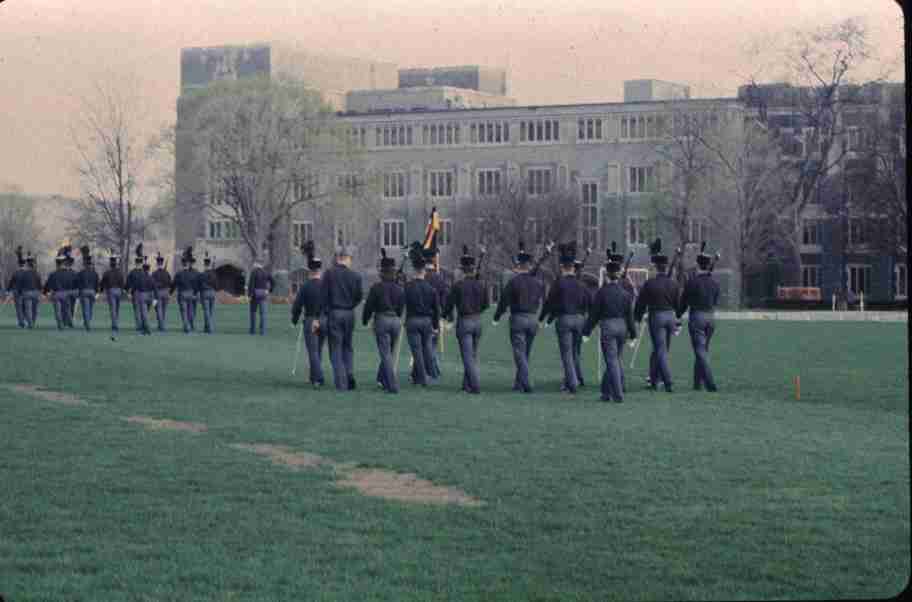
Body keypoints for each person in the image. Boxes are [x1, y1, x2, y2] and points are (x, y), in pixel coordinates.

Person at [583, 242, 638, 402]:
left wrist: (586, 332)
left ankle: (618, 394)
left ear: (607, 274)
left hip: (608, 327)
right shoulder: (625, 293)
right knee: (614, 360)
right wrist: (633, 335)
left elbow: (594, 315)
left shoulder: (601, 293)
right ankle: (605, 393)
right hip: (622, 328)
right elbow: (629, 316)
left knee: (612, 360)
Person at [492, 241, 545, 394]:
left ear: (518, 265)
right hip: (533, 318)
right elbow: (543, 300)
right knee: (525, 353)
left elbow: (503, 302)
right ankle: (518, 383)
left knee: (519, 354)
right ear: (528, 265)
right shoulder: (538, 283)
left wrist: (497, 316)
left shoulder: (513, 282)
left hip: (518, 319)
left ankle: (526, 383)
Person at [539, 242, 590, 394]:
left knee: (566, 353)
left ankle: (571, 383)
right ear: (574, 268)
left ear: (562, 267)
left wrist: (542, 318)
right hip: (580, 319)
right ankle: (572, 379)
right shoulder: (581, 284)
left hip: (565, 320)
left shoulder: (559, 283)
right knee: (575, 352)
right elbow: (589, 302)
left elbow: (549, 303)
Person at [633, 238, 681, 392]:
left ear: (655, 267)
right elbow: (678, 304)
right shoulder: (673, 284)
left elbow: (641, 303)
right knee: (661, 349)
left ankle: (667, 381)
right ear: (665, 267)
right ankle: (654, 380)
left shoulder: (650, 284)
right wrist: (677, 321)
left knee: (660, 350)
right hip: (670, 317)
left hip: (657, 317)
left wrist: (637, 319)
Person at [443, 245, 489, 394]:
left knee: (467, 357)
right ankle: (466, 385)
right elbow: (486, 305)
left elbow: (449, 305)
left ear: (462, 270)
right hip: (477, 321)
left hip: (465, 322)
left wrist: (444, 316)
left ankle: (474, 386)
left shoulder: (458, 286)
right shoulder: (481, 285)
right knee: (472, 356)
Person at [317, 246, 363, 390]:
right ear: (347, 259)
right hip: (349, 314)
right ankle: (349, 373)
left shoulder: (329, 274)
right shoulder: (356, 276)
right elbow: (359, 296)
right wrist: (351, 305)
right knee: (348, 347)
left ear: (338, 258)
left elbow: (323, 296)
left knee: (335, 349)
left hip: (335, 313)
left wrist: (321, 314)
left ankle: (341, 382)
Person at [677, 242, 720, 392]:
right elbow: (715, 301)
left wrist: (677, 315)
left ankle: (709, 383)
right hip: (711, 317)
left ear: (698, 264)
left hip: (697, 317)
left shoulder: (692, 282)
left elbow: (683, 302)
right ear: (708, 265)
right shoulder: (715, 283)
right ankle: (697, 383)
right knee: (702, 351)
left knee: (700, 351)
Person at [362, 248, 405, 393]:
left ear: (382, 272)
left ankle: (392, 385)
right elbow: (401, 308)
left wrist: (365, 319)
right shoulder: (399, 289)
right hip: (396, 321)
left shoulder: (376, 288)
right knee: (389, 353)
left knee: (385, 354)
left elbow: (369, 306)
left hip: (382, 320)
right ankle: (382, 379)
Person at [291, 241, 327, 389]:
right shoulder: (326, 285)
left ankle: (318, 378)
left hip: (311, 319)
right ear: (319, 270)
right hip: (324, 320)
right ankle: (314, 377)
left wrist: (294, 319)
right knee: (318, 350)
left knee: (312, 351)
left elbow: (297, 305)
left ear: (309, 271)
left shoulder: (306, 286)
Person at [404, 244, 440, 387]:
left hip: (412, 320)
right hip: (426, 321)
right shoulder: (431, 289)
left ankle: (422, 377)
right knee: (427, 349)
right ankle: (429, 374)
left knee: (417, 351)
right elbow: (436, 309)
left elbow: (402, 303)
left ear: (414, 270)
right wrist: (436, 326)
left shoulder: (408, 287)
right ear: (424, 270)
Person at [423, 247, 449, 380]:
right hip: (436, 315)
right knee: (431, 345)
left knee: (427, 346)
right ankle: (432, 371)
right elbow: (445, 298)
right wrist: (445, 315)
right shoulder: (439, 279)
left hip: (422, 315)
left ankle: (432, 372)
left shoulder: (422, 278)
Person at [125, 244, 153, 335]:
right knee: (144, 311)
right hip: (147, 294)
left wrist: (128, 292)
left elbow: (128, 284)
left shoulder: (132, 272)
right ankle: (143, 326)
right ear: (141, 263)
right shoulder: (145, 273)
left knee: (137, 310)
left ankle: (140, 326)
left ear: (135, 263)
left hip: (136, 293)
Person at [170, 247, 198, 333]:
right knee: (190, 311)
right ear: (188, 264)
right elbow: (196, 284)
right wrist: (195, 293)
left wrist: (170, 293)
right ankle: (192, 325)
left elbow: (174, 284)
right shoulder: (193, 274)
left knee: (184, 311)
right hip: (191, 293)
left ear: (182, 264)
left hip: (182, 294)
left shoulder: (179, 274)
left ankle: (186, 327)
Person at [100, 251, 125, 339]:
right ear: (116, 263)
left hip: (110, 291)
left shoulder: (107, 273)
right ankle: (115, 323)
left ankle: (114, 325)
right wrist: (122, 290)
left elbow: (102, 283)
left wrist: (100, 291)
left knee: (113, 309)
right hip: (118, 291)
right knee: (116, 309)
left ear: (110, 264)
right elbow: (122, 282)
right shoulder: (120, 272)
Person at [43, 248, 70, 330]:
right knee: (65, 310)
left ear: (57, 264)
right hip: (65, 293)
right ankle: (65, 323)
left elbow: (48, 284)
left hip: (56, 294)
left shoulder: (53, 274)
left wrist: (45, 292)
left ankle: (60, 325)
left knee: (57, 311)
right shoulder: (67, 273)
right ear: (64, 263)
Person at [247, 260, 274, 336]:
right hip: (264, 294)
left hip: (255, 294)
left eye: (254, 264)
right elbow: (273, 282)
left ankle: (252, 331)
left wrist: (250, 295)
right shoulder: (266, 272)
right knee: (263, 314)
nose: (253, 265)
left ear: (256, 264)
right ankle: (263, 331)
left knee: (253, 313)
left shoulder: (254, 272)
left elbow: (251, 284)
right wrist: (269, 291)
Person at [76, 245, 100, 331]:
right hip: (92, 292)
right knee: (90, 309)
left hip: (84, 291)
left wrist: (78, 293)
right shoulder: (95, 273)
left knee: (85, 309)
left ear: (84, 264)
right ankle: (87, 322)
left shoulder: (81, 273)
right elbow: (97, 283)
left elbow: (78, 284)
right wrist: (97, 292)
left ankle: (87, 324)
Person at [151, 252, 173, 332]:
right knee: (163, 310)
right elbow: (170, 283)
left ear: (157, 263)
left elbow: (152, 284)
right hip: (166, 292)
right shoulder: (167, 273)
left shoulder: (154, 273)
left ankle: (161, 326)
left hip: (158, 293)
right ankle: (161, 325)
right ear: (162, 263)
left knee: (159, 310)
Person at [198, 252, 219, 334]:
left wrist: (199, 293)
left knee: (206, 311)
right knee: (211, 311)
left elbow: (199, 285)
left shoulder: (202, 274)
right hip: (212, 292)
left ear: (204, 265)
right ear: (209, 264)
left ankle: (209, 328)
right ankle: (206, 327)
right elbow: (217, 284)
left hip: (205, 292)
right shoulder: (213, 274)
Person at [7, 246, 27, 328]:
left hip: (17, 293)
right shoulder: (27, 273)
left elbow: (11, 283)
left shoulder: (16, 273)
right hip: (25, 292)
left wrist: (8, 291)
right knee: (25, 307)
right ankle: (25, 321)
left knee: (19, 309)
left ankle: (21, 323)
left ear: (18, 264)